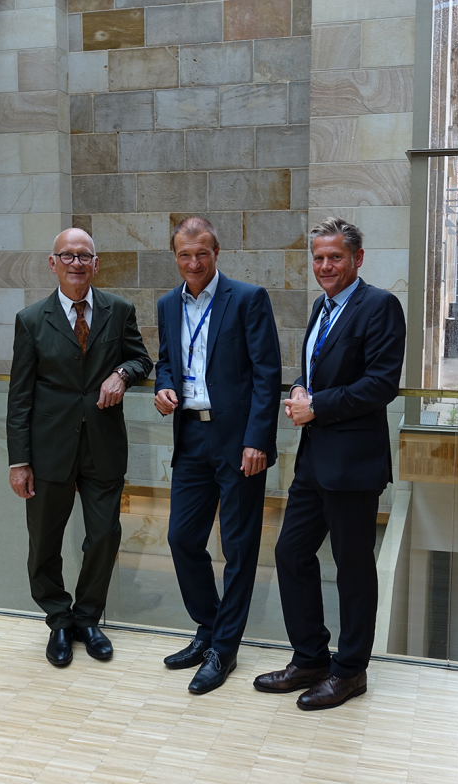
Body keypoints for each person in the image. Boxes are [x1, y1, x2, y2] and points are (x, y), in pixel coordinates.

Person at [253, 217, 406, 710]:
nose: (325, 266)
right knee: (290, 554)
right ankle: (311, 659)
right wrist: (302, 387)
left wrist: (317, 405)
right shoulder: (322, 307)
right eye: (318, 258)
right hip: (314, 462)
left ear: (357, 259)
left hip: (353, 465)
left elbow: (381, 384)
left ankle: (351, 670)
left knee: (353, 568)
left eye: (335, 257)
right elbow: (316, 369)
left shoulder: (379, 305)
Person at [6, 227, 153, 667]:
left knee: (104, 535)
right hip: (49, 450)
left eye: (84, 255)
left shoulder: (119, 310)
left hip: (102, 446)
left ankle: (88, 618)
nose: (76, 263)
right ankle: (58, 619)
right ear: (53, 264)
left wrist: (122, 374)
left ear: (96, 263)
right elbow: (20, 396)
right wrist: (19, 461)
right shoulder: (31, 319)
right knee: (44, 542)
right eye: (67, 255)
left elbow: (142, 359)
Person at [154, 216, 283, 694]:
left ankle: (224, 650)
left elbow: (268, 374)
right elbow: (165, 360)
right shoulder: (168, 304)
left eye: (202, 253)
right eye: (185, 255)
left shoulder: (247, 298)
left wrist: (258, 440)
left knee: (238, 547)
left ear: (217, 252)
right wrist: (164, 386)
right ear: (175, 256)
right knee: (181, 538)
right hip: (191, 437)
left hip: (238, 441)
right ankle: (209, 629)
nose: (194, 263)